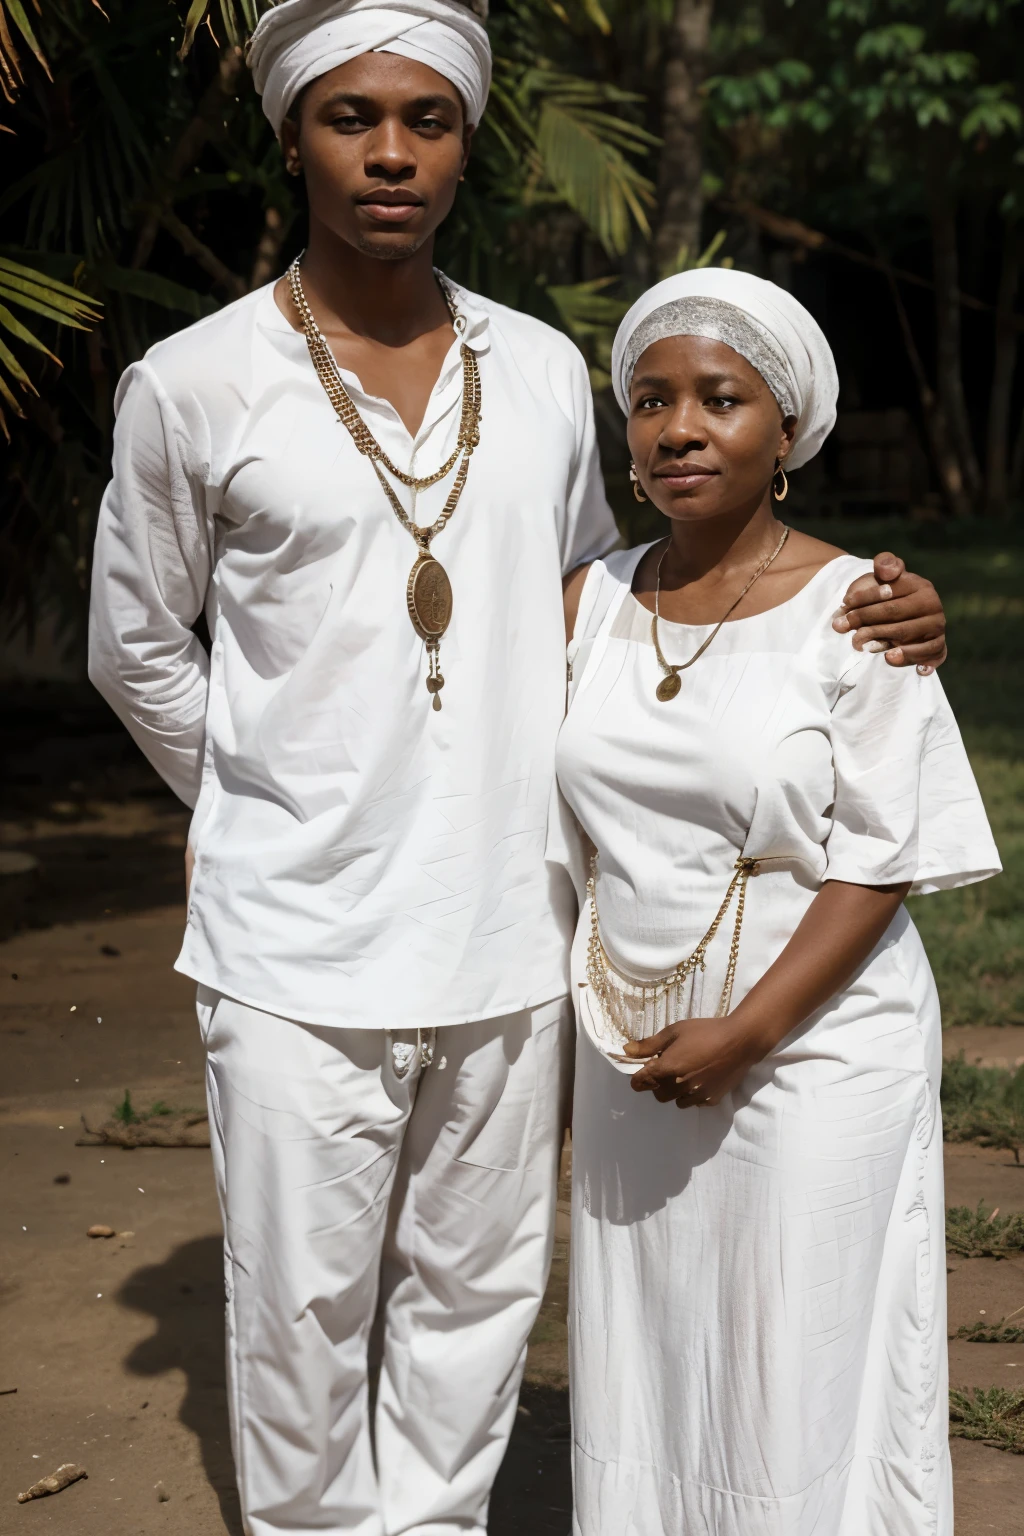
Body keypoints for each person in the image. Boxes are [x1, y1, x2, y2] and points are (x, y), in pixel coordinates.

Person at [87, 2, 949, 1531]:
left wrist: (858, 598)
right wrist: (266, 793)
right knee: (297, 1312)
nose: (392, 152)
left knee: (477, 1305)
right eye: (352, 117)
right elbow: (138, 646)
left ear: (465, 141)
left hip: (511, 933)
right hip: (292, 937)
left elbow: (599, 608)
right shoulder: (192, 383)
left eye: (427, 118)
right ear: (293, 135)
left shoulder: (546, 372)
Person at [557, 267, 1000, 1536]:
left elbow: (877, 857)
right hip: (631, 1034)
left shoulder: (859, 610)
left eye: (720, 399)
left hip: (809, 1042)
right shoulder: (590, 602)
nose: (679, 427)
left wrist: (745, 1034)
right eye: (650, 400)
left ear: (786, 431)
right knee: (650, 1346)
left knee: (793, 1354)